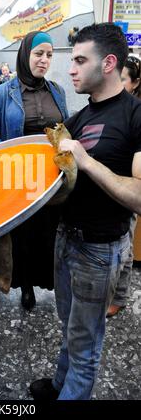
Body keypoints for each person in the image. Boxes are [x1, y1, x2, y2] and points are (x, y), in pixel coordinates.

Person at [30, 23, 141, 401]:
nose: (71, 69)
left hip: (99, 250)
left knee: (86, 343)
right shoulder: (80, 118)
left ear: (109, 63)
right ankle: (60, 385)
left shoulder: (134, 117)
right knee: (72, 328)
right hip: (67, 241)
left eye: (80, 60)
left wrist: (87, 161)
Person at [0, 31, 68, 309]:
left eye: (49, 55)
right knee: (7, 234)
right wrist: (16, 159)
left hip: (47, 180)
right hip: (13, 176)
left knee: (37, 234)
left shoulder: (58, 91)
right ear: (24, 54)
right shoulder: (2, 93)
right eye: (39, 54)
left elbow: (63, 131)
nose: (44, 60)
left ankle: (27, 284)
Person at [106, 55, 141, 317]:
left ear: (135, 82)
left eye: (123, 80)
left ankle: (119, 297)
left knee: (126, 244)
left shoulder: (135, 112)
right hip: (115, 184)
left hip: (129, 186)